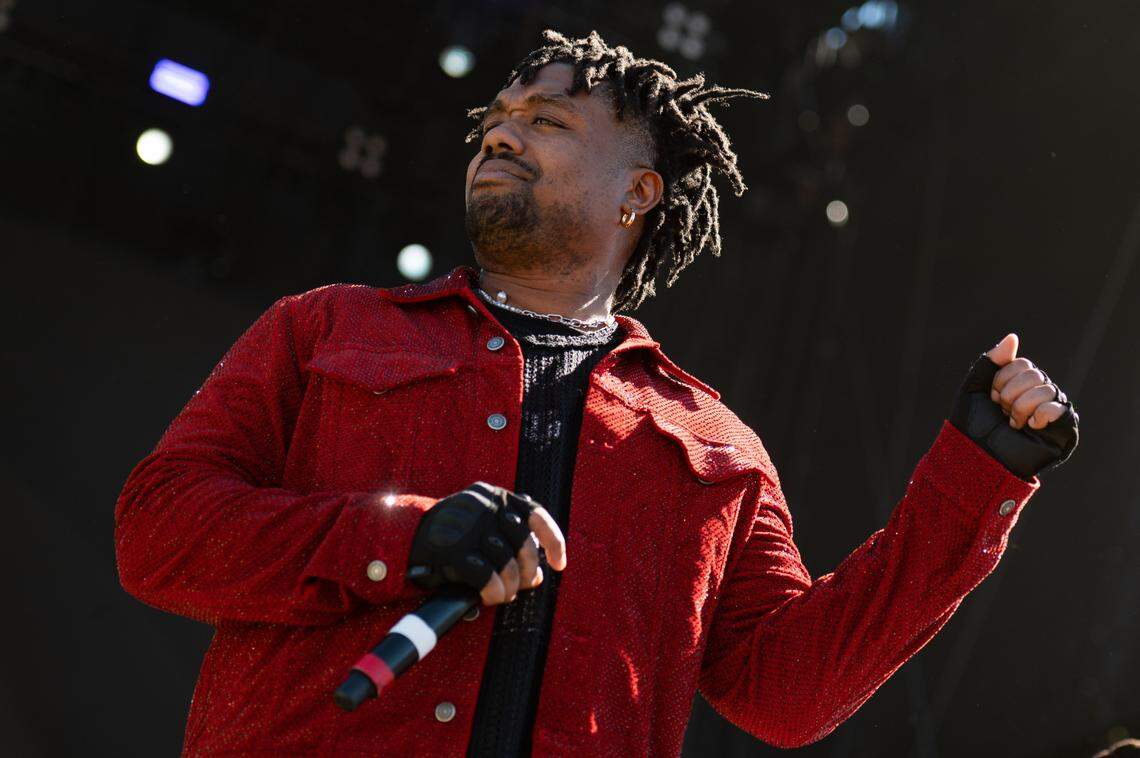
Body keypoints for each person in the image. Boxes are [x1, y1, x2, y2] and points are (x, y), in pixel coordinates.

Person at [114, 29, 1079, 756]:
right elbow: (156, 531)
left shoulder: (716, 446)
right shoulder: (323, 328)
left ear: (640, 192)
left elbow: (784, 691)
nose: (499, 134)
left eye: (546, 120)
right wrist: (398, 539)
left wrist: (975, 479)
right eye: (494, 121)